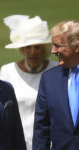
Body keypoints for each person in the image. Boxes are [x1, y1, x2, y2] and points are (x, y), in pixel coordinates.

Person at [0, 15, 58, 149]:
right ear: (22, 49)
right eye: (28, 47)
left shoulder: (56, 69)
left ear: (44, 48)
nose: (32, 52)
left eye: (37, 47)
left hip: (50, 143)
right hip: (18, 143)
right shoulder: (8, 71)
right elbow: (2, 113)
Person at [33, 20, 79, 150]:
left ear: (76, 46)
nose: (53, 51)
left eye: (57, 46)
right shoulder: (49, 79)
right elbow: (41, 128)